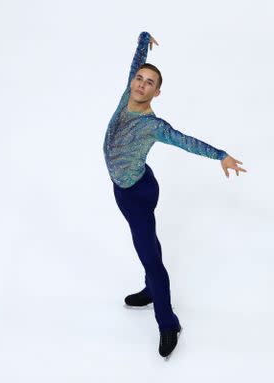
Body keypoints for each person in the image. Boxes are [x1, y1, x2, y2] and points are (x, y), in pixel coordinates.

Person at [102, 31, 247, 359]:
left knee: (150, 257)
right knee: (149, 244)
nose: (141, 84)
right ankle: (151, 290)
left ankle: (168, 323)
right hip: (124, 189)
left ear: (157, 92)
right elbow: (137, 61)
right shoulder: (128, 93)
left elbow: (186, 141)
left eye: (149, 82)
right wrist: (142, 39)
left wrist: (220, 154)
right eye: (139, 79)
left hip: (137, 192)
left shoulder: (154, 126)